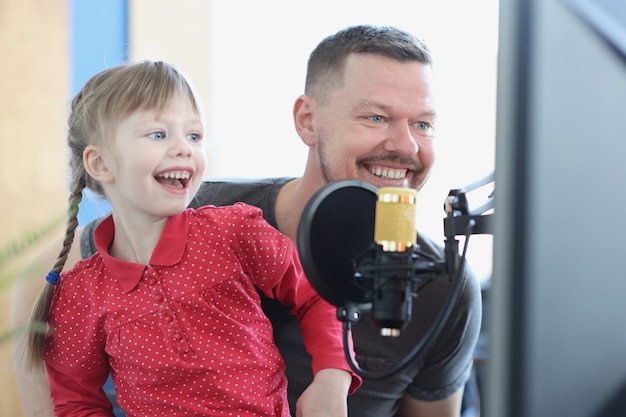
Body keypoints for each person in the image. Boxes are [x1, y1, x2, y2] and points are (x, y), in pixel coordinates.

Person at [12, 25, 482, 417]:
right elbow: (43, 283)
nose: (406, 146)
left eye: (423, 124)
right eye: (377, 117)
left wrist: (334, 376)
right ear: (307, 120)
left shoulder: (443, 286)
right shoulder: (191, 206)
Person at [23, 60, 359, 417]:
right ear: (101, 164)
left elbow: (317, 296)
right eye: (158, 134)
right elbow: (77, 402)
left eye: (194, 136)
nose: (185, 148)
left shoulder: (232, 231)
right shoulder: (80, 294)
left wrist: (331, 379)